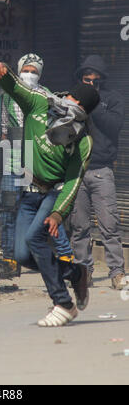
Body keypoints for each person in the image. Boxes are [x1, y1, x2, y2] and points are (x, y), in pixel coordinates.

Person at [0, 60, 100, 327]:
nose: (67, 102)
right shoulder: (39, 105)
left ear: (82, 111)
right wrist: (3, 74)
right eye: (68, 96)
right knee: (22, 254)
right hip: (28, 190)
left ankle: (62, 303)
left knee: (35, 240)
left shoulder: (82, 141)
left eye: (74, 101)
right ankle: (75, 273)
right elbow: (17, 89)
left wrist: (57, 213)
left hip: (54, 193)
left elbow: (73, 181)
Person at [0, 54, 74, 279]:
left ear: (39, 74)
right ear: (19, 70)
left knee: (46, 211)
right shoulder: (7, 96)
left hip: (37, 162)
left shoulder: (47, 96)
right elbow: (4, 129)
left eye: (34, 71)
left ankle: (65, 257)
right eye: (26, 70)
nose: (29, 74)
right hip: (13, 161)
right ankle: (10, 259)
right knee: (8, 211)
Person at [70, 55, 128, 290]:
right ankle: (84, 272)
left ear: (102, 81)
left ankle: (117, 273)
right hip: (77, 172)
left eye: (96, 81)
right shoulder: (71, 100)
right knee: (79, 227)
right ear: (81, 79)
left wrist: (92, 104)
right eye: (87, 81)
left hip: (102, 171)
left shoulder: (113, 99)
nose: (92, 85)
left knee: (109, 226)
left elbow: (115, 126)